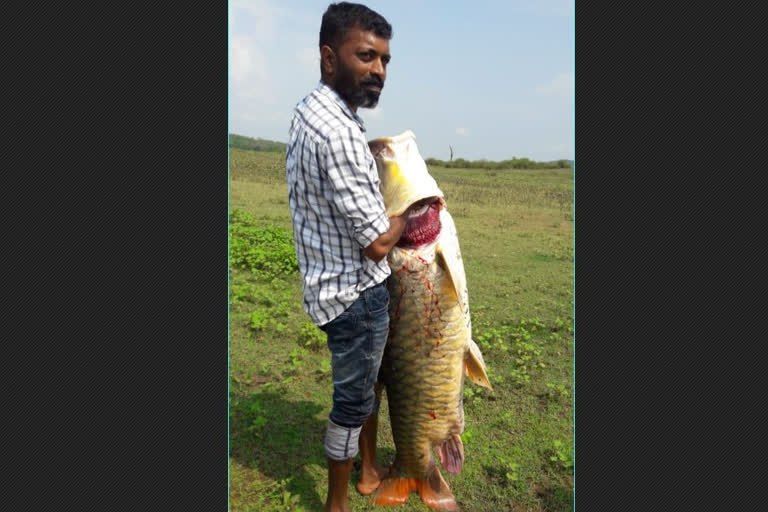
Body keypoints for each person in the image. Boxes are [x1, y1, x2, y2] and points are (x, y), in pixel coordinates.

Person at [285, 3, 410, 511]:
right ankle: (338, 501)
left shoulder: (313, 110)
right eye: (366, 56)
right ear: (329, 56)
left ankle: (370, 469)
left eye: (384, 60)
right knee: (352, 403)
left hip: (330, 286)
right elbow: (379, 242)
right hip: (354, 297)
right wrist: (411, 208)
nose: (378, 70)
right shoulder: (338, 131)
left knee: (368, 384)